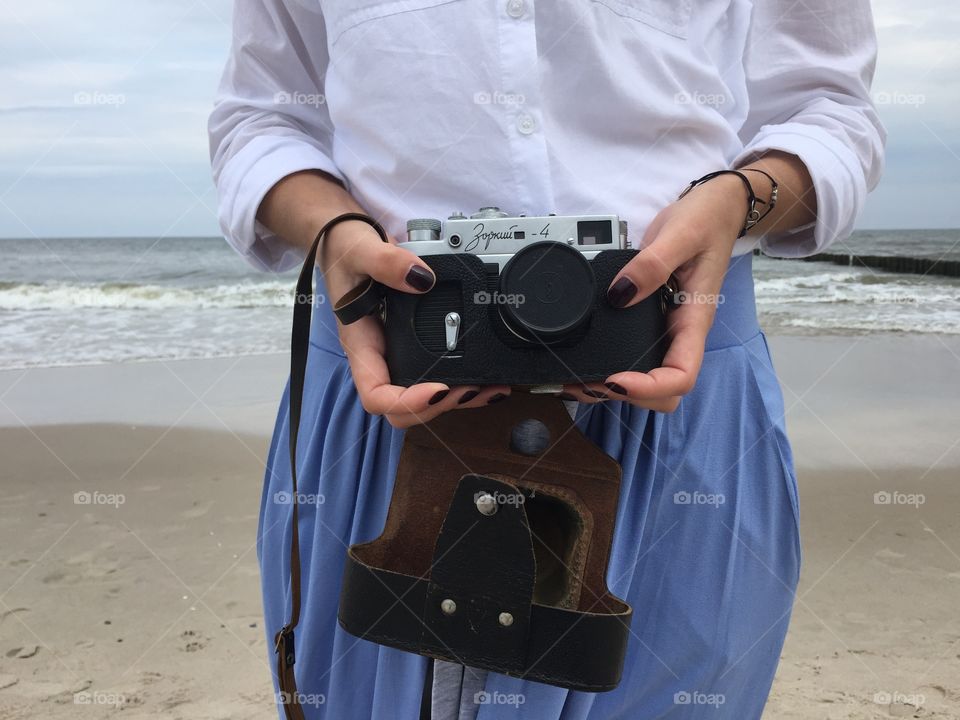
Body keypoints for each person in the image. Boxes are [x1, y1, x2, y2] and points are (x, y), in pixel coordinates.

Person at [209, 1, 884, 717]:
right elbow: (261, 119)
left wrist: (739, 200)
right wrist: (334, 228)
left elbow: (829, 109)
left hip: (676, 377)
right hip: (385, 376)